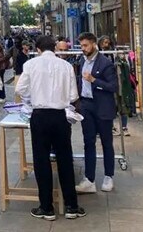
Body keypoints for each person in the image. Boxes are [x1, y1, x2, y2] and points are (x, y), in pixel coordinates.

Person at [15, 35, 86, 221]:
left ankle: (46, 207)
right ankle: (71, 206)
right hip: (60, 116)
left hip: (39, 116)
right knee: (65, 159)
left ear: (38, 49)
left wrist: (34, 94)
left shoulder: (30, 65)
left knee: (41, 160)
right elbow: (73, 96)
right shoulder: (66, 66)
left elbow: (20, 89)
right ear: (54, 48)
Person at [75, 32, 118, 194]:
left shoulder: (105, 63)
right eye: (81, 46)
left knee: (106, 142)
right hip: (86, 105)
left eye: (86, 45)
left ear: (94, 44)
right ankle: (89, 179)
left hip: (102, 106)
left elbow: (113, 87)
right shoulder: (81, 61)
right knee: (88, 142)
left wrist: (94, 80)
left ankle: (108, 176)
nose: (83, 48)